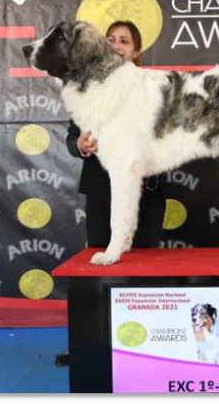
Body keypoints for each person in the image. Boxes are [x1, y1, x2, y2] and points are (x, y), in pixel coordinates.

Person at [56, 21, 166, 366]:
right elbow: (72, 136)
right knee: (98, 272)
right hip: (102, 193)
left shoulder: (155, 87)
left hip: (146, 194)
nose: (117, 45)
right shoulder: (86, 85)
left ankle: (143, 347)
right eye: (111, 39)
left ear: (136, 52)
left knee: (143, 271)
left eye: (125, 41)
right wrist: (81, 144)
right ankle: (90, 344)